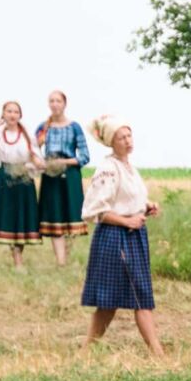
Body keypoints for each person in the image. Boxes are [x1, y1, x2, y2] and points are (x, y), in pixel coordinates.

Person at [80, 115, 164, 357]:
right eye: (121, 137)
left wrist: (146, 206)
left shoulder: (128, 167)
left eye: (129, 135)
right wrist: (127, 220)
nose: (128, 141)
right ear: (111, 142)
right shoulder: (108, 168)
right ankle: (158, 353)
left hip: (133, 237)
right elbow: (96, 210)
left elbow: (125, 199)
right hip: (115, 238)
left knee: (128, 298)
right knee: (119, 298)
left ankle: (86, 352)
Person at [0, 100, 45, 269]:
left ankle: (18, 259)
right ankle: (16, 258)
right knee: (9, 218)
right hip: (5, 177)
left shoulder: (27, 135)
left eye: (16, 112)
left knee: (21, 218)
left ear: (20, 115)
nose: (12, 115)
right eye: (8, 111)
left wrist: (36, 162)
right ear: (3, 114)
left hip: (23, 178)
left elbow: (36, 156)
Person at [35, 90, 91, 265]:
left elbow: (85, 156)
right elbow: (32, 151)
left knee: (70, 217)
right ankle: (61, 262)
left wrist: (64, 161)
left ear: (64, 104)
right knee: (55, 218)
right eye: (51, 101)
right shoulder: (43, 127)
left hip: (70, 175)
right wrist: (41, 161)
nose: (54, 104)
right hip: (50, 176)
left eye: (58, 101)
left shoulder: (74, 127)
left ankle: (66, 255)